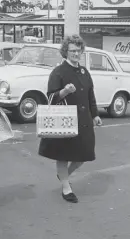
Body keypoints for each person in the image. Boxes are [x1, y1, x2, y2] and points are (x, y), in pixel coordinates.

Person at [38, 34, 103, 203]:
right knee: (63, 155)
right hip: (64, 120)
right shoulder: (58, 72)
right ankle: (66, 188)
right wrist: (64, 91)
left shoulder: (84, 72)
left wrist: (95, 114)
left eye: (78, 50)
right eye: (72, 50)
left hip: (84, 121)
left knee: (84, 155)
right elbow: (50, 99)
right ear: (65, 52)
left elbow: (90, 95)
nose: (76, 54)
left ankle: (63, 175)